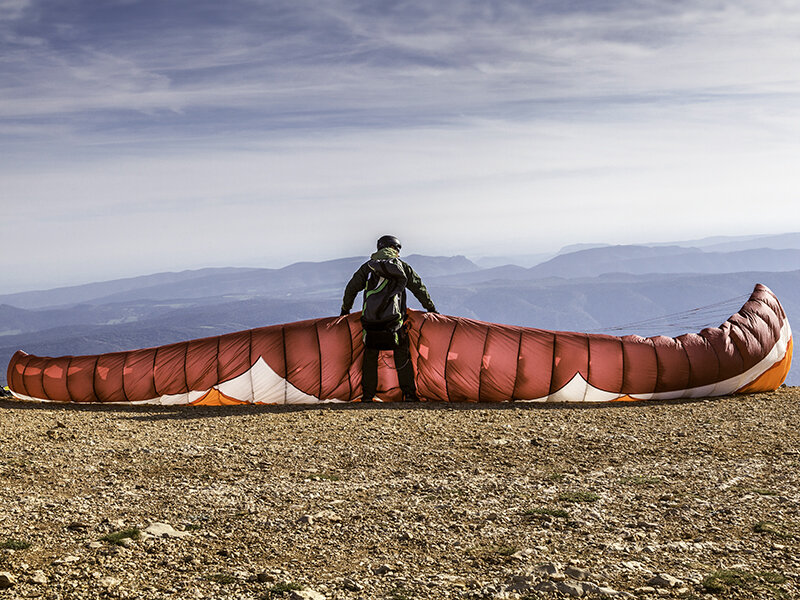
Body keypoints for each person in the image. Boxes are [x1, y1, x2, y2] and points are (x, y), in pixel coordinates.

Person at [340, 235, 438, 402]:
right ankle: (409, 394)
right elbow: (419, 287)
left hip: (370, 322)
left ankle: (368, 395)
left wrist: (345, 310)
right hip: (395, 322)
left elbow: (351, 288)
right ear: (396, 249)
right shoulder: (402, 267)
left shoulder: (368, 267)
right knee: (402, 356)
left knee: (370, 357)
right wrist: (431, 308)